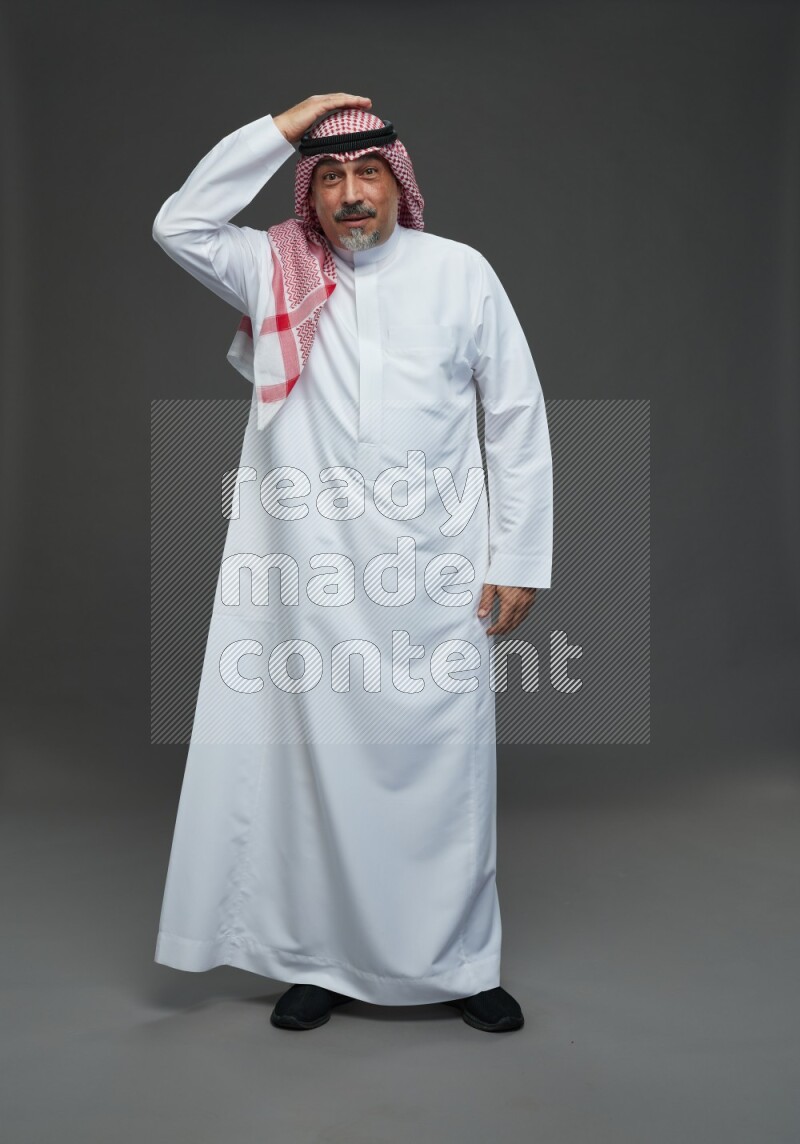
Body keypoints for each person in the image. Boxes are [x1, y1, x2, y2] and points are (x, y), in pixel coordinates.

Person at [151, 93, 553, 1034]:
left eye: (367, 173)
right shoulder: (274, 269)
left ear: (398, 183)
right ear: (311, 194)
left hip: (438, 575)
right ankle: (318, 959)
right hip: (312, 584)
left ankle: (461, 964)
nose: (351, 194)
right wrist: (282, 126)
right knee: (314, 773)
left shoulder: (461, 274)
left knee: (446, 773)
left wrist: (519, 557)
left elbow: (517, 419)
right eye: (328, 177)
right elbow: (179, 222)